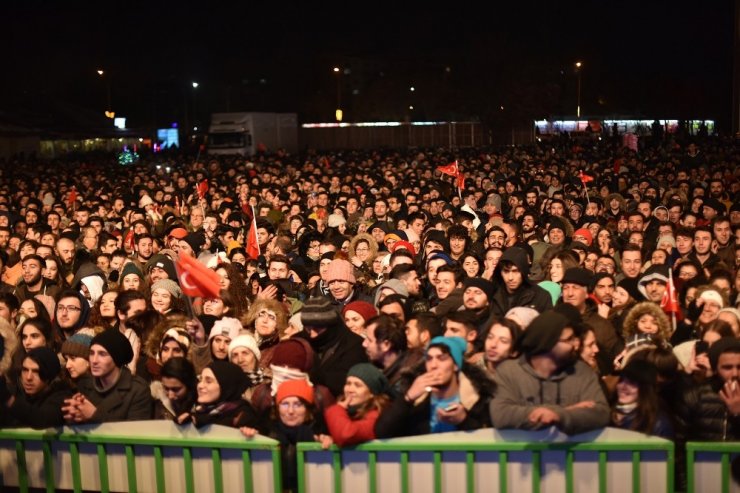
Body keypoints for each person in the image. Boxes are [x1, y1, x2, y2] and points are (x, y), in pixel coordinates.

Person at [490, 310, 610, 434]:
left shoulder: (581, 371)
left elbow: (601, 413)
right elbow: (501, 415)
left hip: (569, 453)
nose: (576, 344)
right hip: (523, 453)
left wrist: (559, 415)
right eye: (569, 340)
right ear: (548, 344)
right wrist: (567, 411)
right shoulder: (509, 371)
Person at [375, 336, 495, 438]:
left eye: (441, 358)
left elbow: (489, 442)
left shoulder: (477, 399)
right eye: (429, 359)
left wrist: (464, 421)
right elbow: (382, 431)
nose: (433, 365)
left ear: (455, 366)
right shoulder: (417, 402)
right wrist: (408, 397)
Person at [62, 329, 153, 423]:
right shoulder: (85, 385)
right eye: (92, 353)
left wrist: (95, 415)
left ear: (116, 358)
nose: (94, 360)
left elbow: (136, 433)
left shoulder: (137, 390)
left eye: (102, 354)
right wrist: (73, 416)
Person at [298, 296, 368, 397]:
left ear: (330, 325)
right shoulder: (300, 340)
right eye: (308, 329)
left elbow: (347, 383)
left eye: (318, 329)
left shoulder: (354, 345)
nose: (312, 335)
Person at [1, 347, 73, 428]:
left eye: (36, 371)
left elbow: (42, 419)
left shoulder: (62, 397)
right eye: (25, 370)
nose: (28, 377)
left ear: (49, 375)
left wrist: (8, 399)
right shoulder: (15, 392)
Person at [183, 360, 264, 430]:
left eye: (208, 381)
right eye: (200, 379)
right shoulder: (200, 409)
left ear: (226, 386)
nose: (200, 386)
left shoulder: (244, 416)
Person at [324, 363, 390, 446]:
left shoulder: (376, 416)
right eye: (348, 383)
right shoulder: (345, 412)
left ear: (372, 393)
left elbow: (346, 434)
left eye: (357, 385)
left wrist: (336, 410)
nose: (350, 390)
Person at [610, 359, 674, 438]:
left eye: (631, 382)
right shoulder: (606, 415)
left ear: (645, 389)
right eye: (621, 380)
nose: (623, 386)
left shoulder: (657, 424)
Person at [152, 357, 198, 421]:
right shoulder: (156, 401)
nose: (170, 396)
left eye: (176, 390)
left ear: (189, 385)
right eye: (166, 388)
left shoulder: (202, 406)